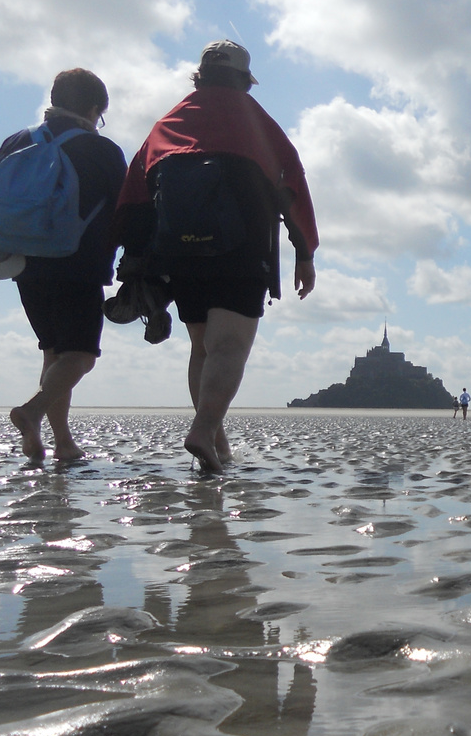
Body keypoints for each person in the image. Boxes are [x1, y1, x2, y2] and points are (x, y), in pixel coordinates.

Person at [115, 41, 318, 471]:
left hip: (178, 252)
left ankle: (218, 445)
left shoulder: (167, 123)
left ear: (199, 76)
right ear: (245, 80)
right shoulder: (257, 121)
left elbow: (133, 196)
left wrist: (134, 259)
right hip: (239, 246)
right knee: (230, 345)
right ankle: (205, 430)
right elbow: (292, 186)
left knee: (202, 348)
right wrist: (305, 251)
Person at [0, 68, 126, 462]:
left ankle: (59, 443)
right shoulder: (103, 151)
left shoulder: (16, 142)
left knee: (54, 352)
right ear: (94, 109)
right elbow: (127, 212)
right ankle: (32, 411)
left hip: (24, 264)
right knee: (80, 356)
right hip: (78, 264)